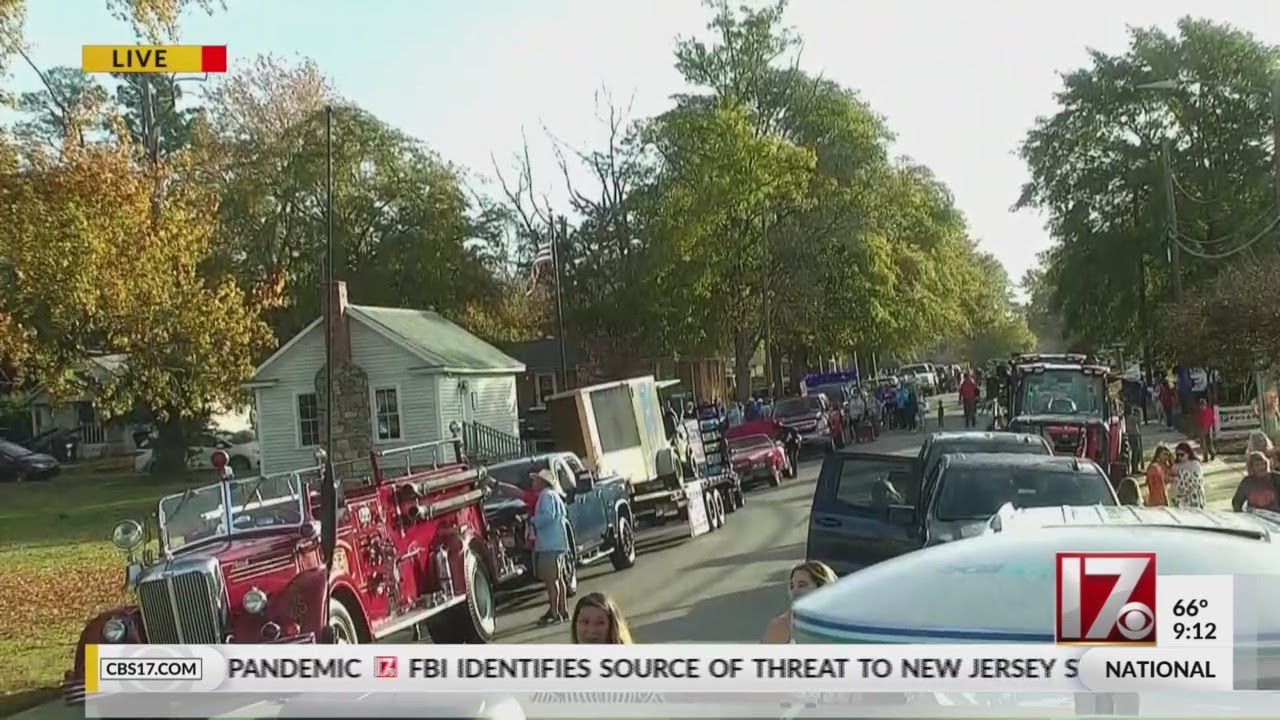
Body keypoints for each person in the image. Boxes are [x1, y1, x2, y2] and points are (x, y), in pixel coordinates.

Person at [527, 468, 571, 625]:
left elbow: (548, 516)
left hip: (548, 545)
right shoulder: (554, 495)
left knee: (551, 582)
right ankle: (563, 609)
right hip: (557, 543)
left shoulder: (545, 497)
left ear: (542, 482)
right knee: (559, 579)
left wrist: (533, 520)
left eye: (535, 480)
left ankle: (554, 613)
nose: (532, 483)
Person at [762, 561, 838, 644]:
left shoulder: (841, 624)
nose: (795, 591)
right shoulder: (782, 625)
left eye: (802, 585)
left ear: (822, 588)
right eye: (792, 586)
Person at [1171, 442, 1206, 509]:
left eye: (1182, 454)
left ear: (1188, 453)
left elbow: (1196, 479)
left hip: (1194, 496)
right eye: (1177, 455)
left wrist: (1180, 473)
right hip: (1181, 498)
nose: (1179, 457)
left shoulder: (1195, 464)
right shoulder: (1175, 466)